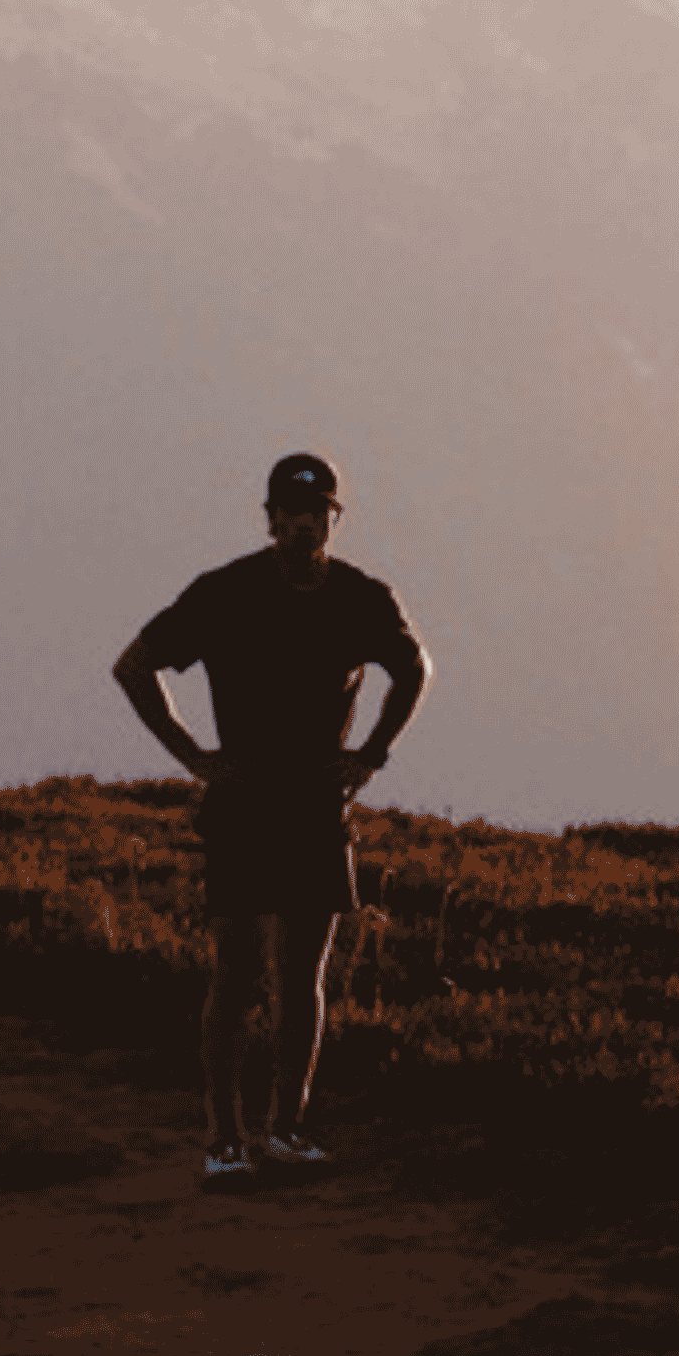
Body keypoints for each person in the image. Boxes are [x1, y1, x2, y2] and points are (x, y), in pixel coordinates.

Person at [111, 452, 433, 1185]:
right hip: (245, 806)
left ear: (333, 519)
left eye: (314, 514)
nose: (300, 526)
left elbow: (416, 668)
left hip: (318, 807)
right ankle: (224, 1139)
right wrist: (193, 756)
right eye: (288, 515)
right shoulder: (223, 593)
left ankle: (286, 1130)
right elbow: (133, 665)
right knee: (236, 974)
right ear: (269, 518)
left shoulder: (363, 597)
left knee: (302, 977)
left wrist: (372, 755)